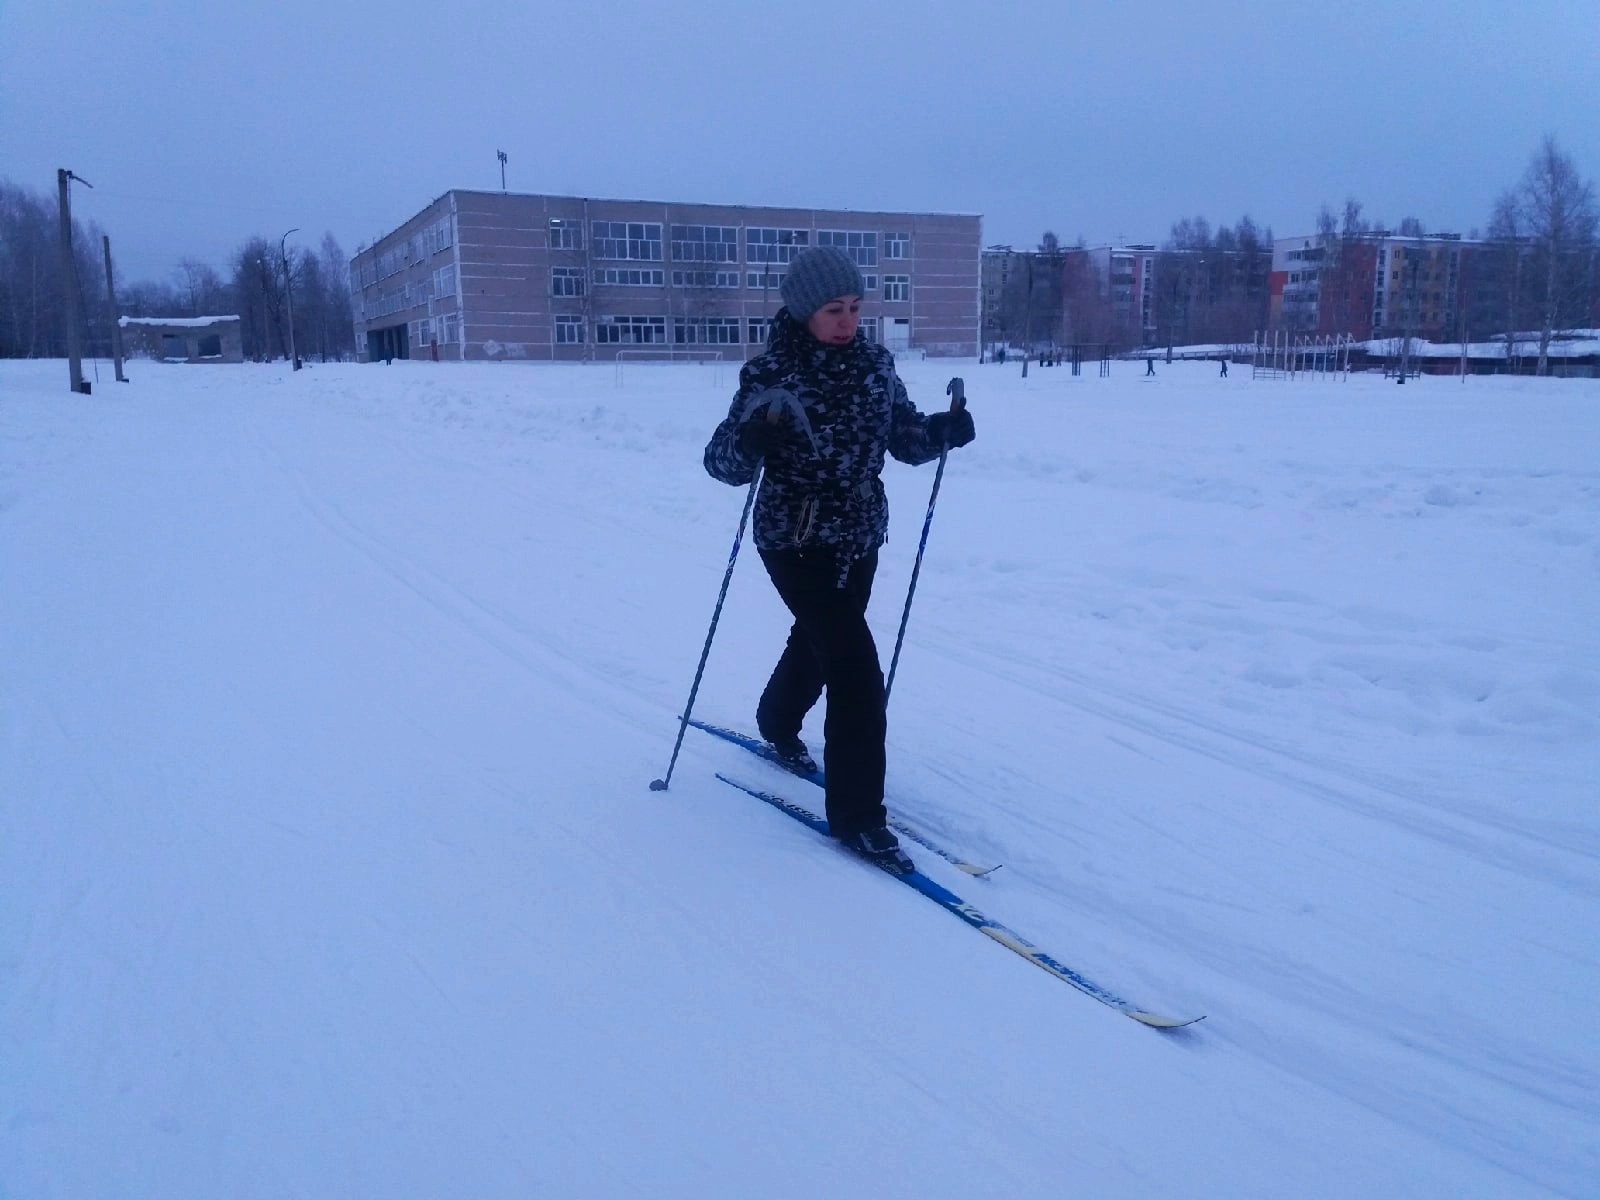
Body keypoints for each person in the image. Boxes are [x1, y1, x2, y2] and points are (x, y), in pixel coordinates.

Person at [703, 246, 975, 874]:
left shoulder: (877, 366)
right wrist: (749, 441)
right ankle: (858, 818)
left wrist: (940, 432)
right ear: (803, 312)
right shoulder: (769, 374)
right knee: (854, 667)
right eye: (834, 310)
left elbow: (903, 438)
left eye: (855, 308)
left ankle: (776, 719)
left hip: (859, 533)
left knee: (822, 640)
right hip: (792, 539)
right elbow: (721, 464)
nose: (848, 321)